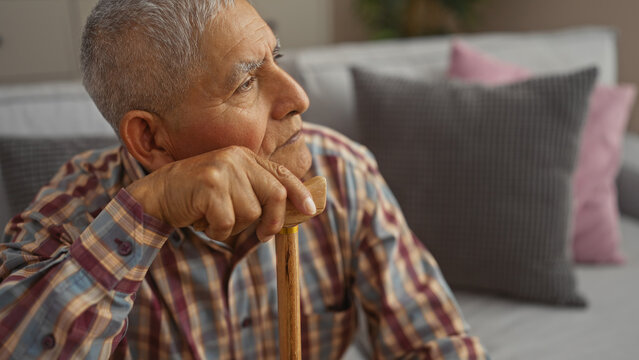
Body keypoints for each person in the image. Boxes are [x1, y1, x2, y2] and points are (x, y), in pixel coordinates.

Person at [0, 0, 488, 358]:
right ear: (150, 139)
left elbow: (437, 344)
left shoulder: (342, 172)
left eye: (276, 58)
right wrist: (151, 209)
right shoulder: (67, 220)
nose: (298, 96)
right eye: (246, 82)